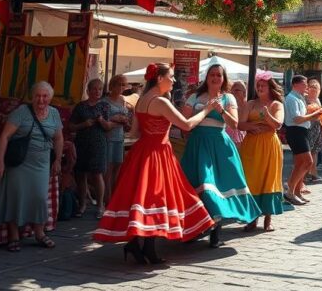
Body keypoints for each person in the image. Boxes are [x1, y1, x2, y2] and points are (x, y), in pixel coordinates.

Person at [94, 63, 218, 265]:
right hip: (157, 153)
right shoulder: (160, 101)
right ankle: (147, 249)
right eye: (170, 76)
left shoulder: (143, 100)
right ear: (159, 79)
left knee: (144, 198)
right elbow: (186, 125)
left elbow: (134, 133)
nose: (174, 80)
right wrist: (208, 110)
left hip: (143, 151)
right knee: (155, 198)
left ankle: (136, 244)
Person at [179, 64, 261, 248]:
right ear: (206, 77)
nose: (215, 78)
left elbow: (234, 124)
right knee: (197, 187)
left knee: (213, 187)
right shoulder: (194, 97)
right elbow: (184, 123)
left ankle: (215, 229)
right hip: (198, 144)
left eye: (219, 75)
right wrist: (205, 109)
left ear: (223, 79)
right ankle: (196, 228)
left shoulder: (228, 97)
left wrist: (221, 110)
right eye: (212, 75)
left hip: (219, 145)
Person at [0, 81, 63, 251]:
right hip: (19, 163)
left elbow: (58, 138)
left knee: (39, 198)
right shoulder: (21, 113)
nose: (41, 99)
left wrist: (57, 160)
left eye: (45, 96)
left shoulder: (54, 113)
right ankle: (14, 236)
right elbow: (4, 137)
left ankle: (39, 233)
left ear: (50, 98)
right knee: (16, 198)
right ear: (32, 96)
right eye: (38, 95)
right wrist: (0, 162)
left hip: (42, 163)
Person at [238, 71, 286, 232]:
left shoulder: (276, 104)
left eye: (262, 85)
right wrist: (252, 126)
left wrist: (267, 116)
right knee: (251, 179)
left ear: (270, 87)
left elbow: (278, 124)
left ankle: (268, 218)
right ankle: (252, 218)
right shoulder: (250, 103)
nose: (259, 88)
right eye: (258, 86)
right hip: (251, 145)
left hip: (269, 145)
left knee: (269, 178)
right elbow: (240, 124)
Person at [70, 78, 114, 219]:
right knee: (80, 174)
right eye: (94, 89)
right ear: (88, 91)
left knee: (97, 174)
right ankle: (82, 203)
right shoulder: (80, 106)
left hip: (98, 144)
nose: (97, 91)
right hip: (81, 143)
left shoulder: (105, 106)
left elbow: (109, 127)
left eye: (100, 89)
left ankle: (100, 205)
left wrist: (101, 121)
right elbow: (70, 126)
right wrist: (84, 124)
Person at [283, 75, 322, 206]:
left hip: (301, 131)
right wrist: (314, 114)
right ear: (296, 85)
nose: (307, 87)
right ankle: (290, 190)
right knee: (307, 161)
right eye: (304, 84)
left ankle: (295, 191)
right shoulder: (291, 98)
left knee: (302, 163)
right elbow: (297, 118)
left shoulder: (299, 97)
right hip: (296, 131)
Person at [103, 75, 132, 208]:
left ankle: (114, 198)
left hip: (120, 137)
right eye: (119, 84)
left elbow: (125, 118)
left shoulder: (123, 100)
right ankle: (107, 199)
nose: (121, 87)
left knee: (117, 167)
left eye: (123, 85)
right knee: (108, 170)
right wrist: (117, 120)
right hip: (108, 137)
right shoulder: (105, 102)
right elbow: (103, 120)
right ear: (112, 86)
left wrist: (125, 122)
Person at [304, 78, 322, 181]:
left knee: (315, 151)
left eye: (316, 88)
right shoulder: (305, 99)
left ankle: (313, 173)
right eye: (312, 87)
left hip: (318, 127)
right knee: (308, 151)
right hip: (309, 127)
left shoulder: (317, 99)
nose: (314, 90)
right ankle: (305, 173)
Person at [226, 81, 247, 145]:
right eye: (232, 91)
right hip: (228, 140)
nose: (233, 93)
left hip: (243, 141)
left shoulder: (248, 106)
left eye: (237, 90)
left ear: (244, 93)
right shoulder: (228, 105)